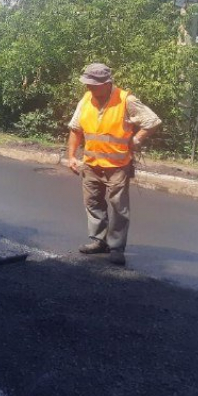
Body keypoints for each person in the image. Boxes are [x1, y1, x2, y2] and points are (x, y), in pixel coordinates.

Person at [66, 63, 161, 266]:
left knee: (119, 208)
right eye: (87, 84)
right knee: (93, 203)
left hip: (117, 166)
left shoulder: (126, 100)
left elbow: (152, 121)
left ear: (107, 83)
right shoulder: (85, 100)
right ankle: (99, 241)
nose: (89, 88)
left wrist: (136, 140)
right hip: (91, 164)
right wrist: (72, 156)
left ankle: (116, 247)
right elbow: (75, 129)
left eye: (93, 84)